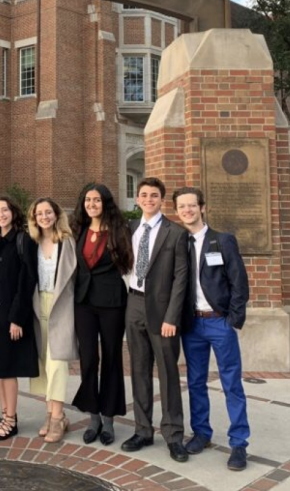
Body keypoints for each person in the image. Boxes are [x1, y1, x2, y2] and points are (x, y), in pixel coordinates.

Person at [174, 186, 251, 472]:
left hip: (219, 322)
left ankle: (239, 442)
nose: (187, 210)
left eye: (192, 205)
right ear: (177, 211)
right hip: (192, 324)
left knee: (231, 384)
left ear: (202, 208)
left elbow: (239, 283)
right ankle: (202, 433)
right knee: (195, 382)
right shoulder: (179, 242)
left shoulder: (223, 241)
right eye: (182, 206)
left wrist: (233, 320)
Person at [121, 177, 190, 462]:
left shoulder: (175, 232)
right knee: (138, 370)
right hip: (134, 303)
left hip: (163, 312)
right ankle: (143, 430)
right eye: (143, 195)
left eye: (154, 195)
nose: (148, 199)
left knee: (168, 373)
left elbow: (181, 277)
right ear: (137, 199)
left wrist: (172, 316)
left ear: (161, 200)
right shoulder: (131, 229)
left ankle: (173, 435)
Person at [70, 183, 132, 446]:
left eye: (96, 200)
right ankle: (93, 416)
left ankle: (108, 419)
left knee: (111, 358)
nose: (91, 204)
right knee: (88, 360)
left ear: (106, 203)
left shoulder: (120, 230)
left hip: (112, 302)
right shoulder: (78, 229)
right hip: (83, 302)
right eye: (87, 200)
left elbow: (128, 264)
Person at [0, 195, 39, 440]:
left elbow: (26, 282)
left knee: (7, 368)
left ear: (13, 212)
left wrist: (17, 318)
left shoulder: (22, 241)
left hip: (9, 315)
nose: (0, 214)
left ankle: (11, 420)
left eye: (4, 210)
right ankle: (4, 414)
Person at [28, 197, 78, 444]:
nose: (44, 217)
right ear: (34, 218)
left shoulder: (67, 242)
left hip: (62, 306)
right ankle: (51, 414)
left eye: (48, 212)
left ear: (57, 215)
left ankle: (57, 417)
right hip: (38, 306)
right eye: (40, 213)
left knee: (57, 361)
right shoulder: (32, 242)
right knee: (43, 364)